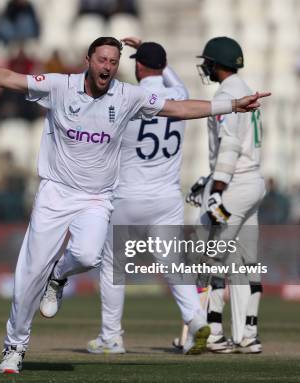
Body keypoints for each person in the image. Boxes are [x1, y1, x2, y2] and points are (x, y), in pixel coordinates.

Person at [0, 27, 269, 373]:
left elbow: (179, 107)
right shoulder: (59, 86)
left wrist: (231, 104)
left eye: (114, 61)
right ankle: (15, 346)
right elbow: (9, 78)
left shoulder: (128, 96)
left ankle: (60, 276)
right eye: (102, 60)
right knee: (27, 278)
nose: (108, 66)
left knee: (88, 254)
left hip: (97, 197)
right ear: (89, 61)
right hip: (55, 191)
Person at [85, 37, 207, 355]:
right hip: (166, 198)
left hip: (128, 196)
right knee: (174, 264)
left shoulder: (127, 97)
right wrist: (157, 58)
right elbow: (173, 80)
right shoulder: (180, 95)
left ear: (138, 66)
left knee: (114, 265)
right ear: (163, 67)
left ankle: (111, 337)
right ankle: (196, 321)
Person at [187, 36, 265, 354]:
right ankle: (248, 334)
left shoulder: (228, 95)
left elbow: (230, 146)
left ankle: (215, 332)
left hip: (234, 185)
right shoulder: (245, 88)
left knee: (210, 254)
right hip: (252, 181)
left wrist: (216, 189)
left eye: (208, 62)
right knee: (243, 260)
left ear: (217, 65)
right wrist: (210, 178)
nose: (205, 66)